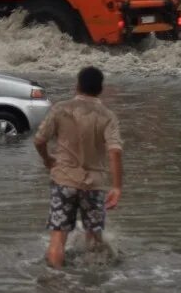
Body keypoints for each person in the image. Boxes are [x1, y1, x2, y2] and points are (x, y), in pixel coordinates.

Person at [33, 66, 123, 268]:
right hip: (94, 185)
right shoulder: (108, 116)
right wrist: (117, 187)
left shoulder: (60, 109)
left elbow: (39, 140)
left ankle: (56, 281)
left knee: (57, 239)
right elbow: (115, 151)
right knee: (95, 240)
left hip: (63, 181)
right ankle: (93, 285)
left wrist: (47, 159)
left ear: (77, 86)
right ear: (100, 89)